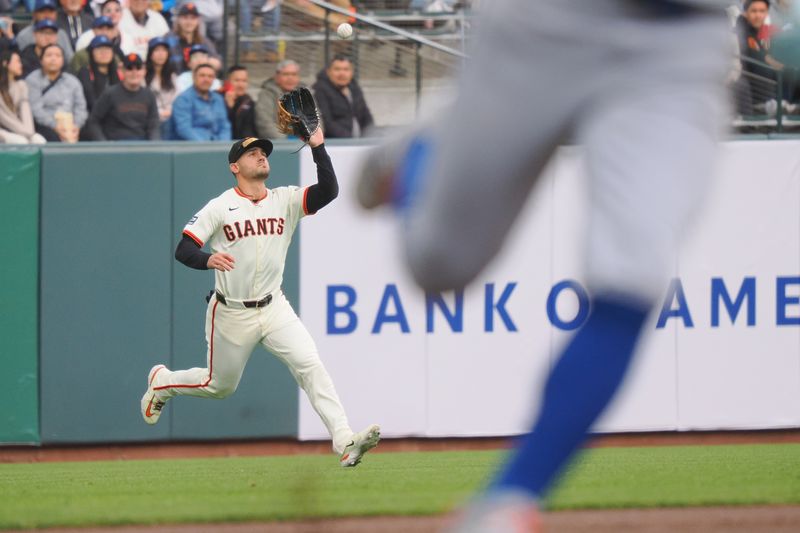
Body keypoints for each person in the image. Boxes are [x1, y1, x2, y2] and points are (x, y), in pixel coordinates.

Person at [355, 0, 730, 529]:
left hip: (678, 43)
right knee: (437, 266)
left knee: (634, 273)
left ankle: (508, 500)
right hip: (546, 20)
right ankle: (422, 149)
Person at [139, 129, 381, 468]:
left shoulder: (285, 199)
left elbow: (329, 191)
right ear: (234, 167)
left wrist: (318, 146)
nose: (260, 155)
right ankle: (162, 382)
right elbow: (184, 249)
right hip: (231, 311)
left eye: (263, 151)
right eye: (251, 153)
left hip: (274, 305)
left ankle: (344, 440)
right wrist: (207, 259)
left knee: (310, 365)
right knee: (219, 386)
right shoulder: (221, 206)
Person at [85, 52, 159, 140]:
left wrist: (153, 145)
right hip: (115, 146)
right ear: (122, 71)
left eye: (138, 68)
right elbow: (94, 121)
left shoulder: (149, 95)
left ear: (144, 71)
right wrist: (103, 144)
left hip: (141, 145)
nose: (134, 72)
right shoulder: (110, 93)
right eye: (129, 68)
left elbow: (153, 125)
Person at [26, 43, 87, 142]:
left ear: (63, 60)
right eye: (49, 55)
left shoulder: (72, 81)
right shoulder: (32, 80)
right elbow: (36, 109)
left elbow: (80, 107)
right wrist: (56, 126)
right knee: (52, 136)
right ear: (41, 60)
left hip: (71, 124)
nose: (53, 59)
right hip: (45, 124)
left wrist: (76, 126)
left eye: (58, 56)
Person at [312, 54, 373, 138]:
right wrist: (351, 140)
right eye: (337, 69)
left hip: (361, 142)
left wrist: (370, 136)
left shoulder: (354, 88)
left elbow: (366, 116)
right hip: (337, 144)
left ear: (351, 73)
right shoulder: (320, 90)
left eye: (346, 69)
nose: (342, 73)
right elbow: (327, 123)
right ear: (328, 72)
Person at [171, 62, 230, 140]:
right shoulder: (183, 99)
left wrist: (222, 145)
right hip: (193, 147)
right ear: (193, 77)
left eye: (210, 76)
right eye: (202, 75)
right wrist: (206, 147)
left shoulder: (218, 99)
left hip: (217, 146)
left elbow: (224, 126)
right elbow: (184, 129)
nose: (206, 79)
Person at [0, 49, 47, 144]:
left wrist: (30, 133)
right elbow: (4, 118)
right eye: (17, 61)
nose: (21, 65)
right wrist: (26, 134)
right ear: (5, 63)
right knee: (20, 141)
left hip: (19, 130)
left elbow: (25, 111)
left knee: (39, 140)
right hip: (3, 130)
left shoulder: (21, 85)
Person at [165, 2, 221, 74]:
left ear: (198, 21)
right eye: (185, 18)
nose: (189, 22)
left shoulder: (203, 40)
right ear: (178, 20)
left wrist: (205, 61)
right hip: (173, 79)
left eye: (193, 18)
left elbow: (218, 63)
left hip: (198, 81)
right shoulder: (168, 39)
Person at [16, 0, 74, 65]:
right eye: (42, 11)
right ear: (34, 14)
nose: (47, 15)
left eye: (50, 11)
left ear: (56, 14)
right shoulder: (24, 36)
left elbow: (70, 61)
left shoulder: (61, 34)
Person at [255, 58, 299, 139]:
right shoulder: (266, 94)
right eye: (286, 74)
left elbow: (317, 120)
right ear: (277, 77)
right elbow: (265, 123)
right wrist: (286, 142)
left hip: (306, 143)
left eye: (294, 74)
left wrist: (311, 139)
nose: (290, 78)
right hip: (279, 144)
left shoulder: (306, 93)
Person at [75, 34, 119, 112]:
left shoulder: (120, 73)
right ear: (92, 53)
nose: (104, 53)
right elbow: (91, 101)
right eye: (99, 49)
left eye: (107, 49)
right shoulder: (85, 73)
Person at [145, 35, 177, 138]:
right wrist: (161, 113)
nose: (161, 54)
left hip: (171, 118)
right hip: (151, 119)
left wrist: (170, 111)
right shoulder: (142, 75)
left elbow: (177, 98)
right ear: (150, 54)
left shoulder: (172, 76)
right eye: (157, 50)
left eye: (164, 50)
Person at [222, 64, 257, 139]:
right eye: (237, 80)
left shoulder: (250, 103)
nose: (241, 85)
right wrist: (229, 108)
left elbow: (249, 131)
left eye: (244, 81)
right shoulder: (218, 100)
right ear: (228, 82)